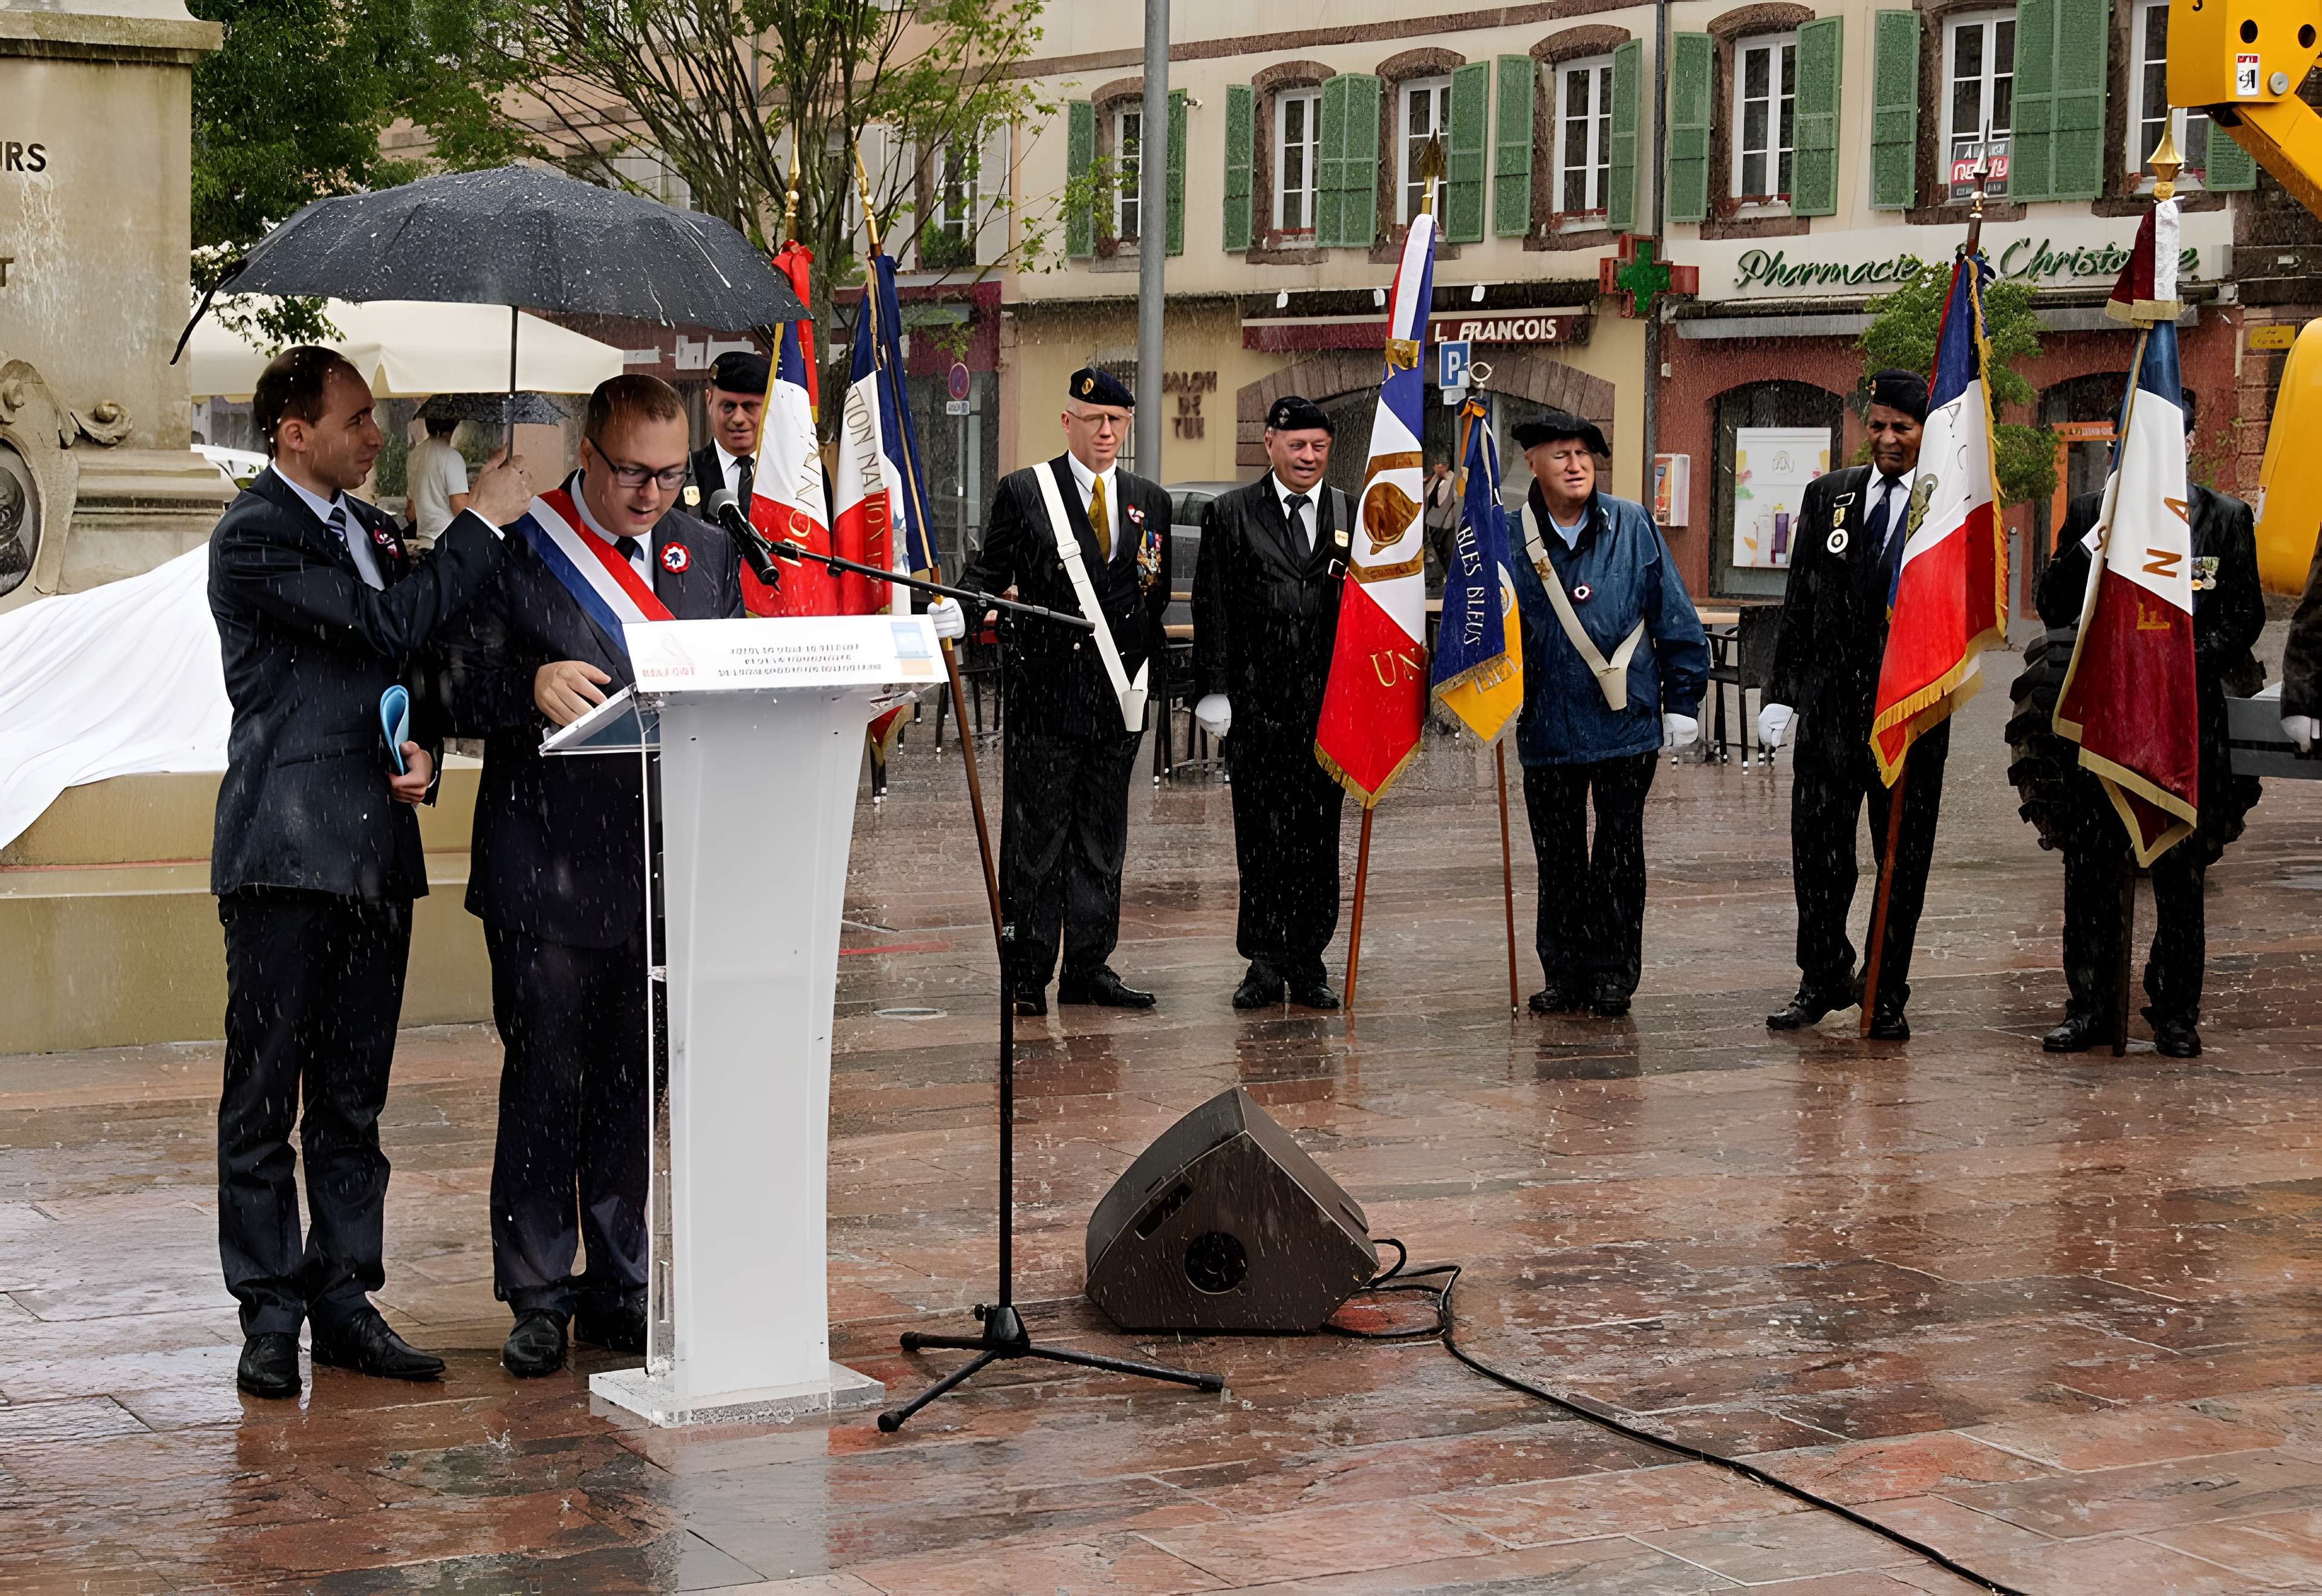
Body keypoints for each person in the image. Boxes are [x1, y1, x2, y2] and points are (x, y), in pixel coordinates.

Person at [209, 345, 531, 1400]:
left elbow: (410, 665)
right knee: (262, 1096)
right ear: (291, 431)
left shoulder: (379, 531)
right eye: (355, 419)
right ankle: (269, 1311)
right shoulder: (253, 535)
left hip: (374, 858)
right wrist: (480, 521)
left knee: (353, 1097)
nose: (375, 433)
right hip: (286, 851)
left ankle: (344, 1297)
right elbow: (386, 622)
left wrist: (427, 746)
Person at [435, 374, 743, 1378]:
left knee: (631, 1083)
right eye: (631, 474)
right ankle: (536, 1289)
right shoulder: (523, 544)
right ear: (589, 457)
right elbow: (446, 681)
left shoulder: (709, 559)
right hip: (546, 865)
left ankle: (619, 1278)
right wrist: (524, 686)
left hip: (665, 862)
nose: (652, 493)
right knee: (545, 1085)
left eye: (669, 474)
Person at [2036, 403, 2263, 1058]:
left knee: (2178, 873)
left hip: (2183, 724)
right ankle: (2089, 1005)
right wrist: (2095, 539)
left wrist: (2172, 667)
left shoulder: (2223, 518)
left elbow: (2242, 617)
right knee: (2090, 871)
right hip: (2104, 725)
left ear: (2189, 440)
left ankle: (2174, 1010)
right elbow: (2052, 605)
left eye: (2167, 435)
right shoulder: (2089, 514)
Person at [956, 367, 1172, 1015]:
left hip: (1115, 699)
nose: (1106, 431)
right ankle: (1027, 973)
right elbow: (987, 576)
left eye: (1116, 420)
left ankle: (1088, 965)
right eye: (1093, 418)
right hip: (1047, 697)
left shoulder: (1147, 499)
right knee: (1036, 841)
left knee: (1102, 839)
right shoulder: (1026, 492)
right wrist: (954, 619)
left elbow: (1148, 594)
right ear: (1068, 421)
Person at [1505, 410, 1708, 1018]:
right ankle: (1564, 973)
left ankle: (1613, 973)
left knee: (1619, 853)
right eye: (1562, 455)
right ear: (1532, 463)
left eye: (1585, 456)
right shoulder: (1505, 533)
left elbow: (1671, 609)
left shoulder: (1632, 523)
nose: (1576, 466)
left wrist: (1685, 700)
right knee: (1559, 856)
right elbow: (1481, 624)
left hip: (1626, 721)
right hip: (1547, 722)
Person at [1761, 368, 1941, 1040]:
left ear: (1926, 431)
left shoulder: (1945, 507)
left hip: (1910, 711)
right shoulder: (1830, 496)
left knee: (1901, 857)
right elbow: (1800, 602)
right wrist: (1782, 694)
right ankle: (1823, 975)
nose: (1888, 439)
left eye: (1903, 427)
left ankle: (1885, 990)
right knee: (1818, 850)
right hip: (1832, 708)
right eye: (1879, 425)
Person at [1191, 395, 1352, 1010]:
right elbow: (1214, 606)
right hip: (1258, 708)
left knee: (1317, 837)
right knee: (1259, 838)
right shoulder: (1231, 514)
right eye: (1297, 446)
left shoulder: (1348, 512)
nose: (1308, 457)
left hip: (1326, 710)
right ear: (1270, 445)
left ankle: (1308, 959)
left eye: (1318, 447)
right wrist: (1213, 688)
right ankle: (1262, 960)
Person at [689, 348, 769, 514]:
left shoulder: (799, 478)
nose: (738, 418)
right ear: (709, 400)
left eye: (749, 407)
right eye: (728, 406)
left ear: (769, 406)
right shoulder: (682, 475)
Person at [405, 413, 470, 542]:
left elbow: (411, 510)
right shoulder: (452, 457)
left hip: (424, 537)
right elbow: (460, 507)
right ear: (455, 424)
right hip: (447, 540)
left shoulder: (414, 455)